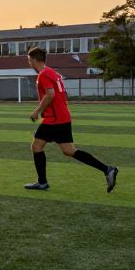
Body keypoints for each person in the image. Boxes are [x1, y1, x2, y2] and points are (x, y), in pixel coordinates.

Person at [24, 47, 117, 192]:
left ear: (33, 60)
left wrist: (37, 111)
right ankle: (107, 169)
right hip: (62, 117)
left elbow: (50, 94)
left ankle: (42, 182)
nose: (29, 63)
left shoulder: (43, 74)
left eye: (29, 60)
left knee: (37, 147)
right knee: (68, 150)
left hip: (54, 120)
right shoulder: (53, 73)